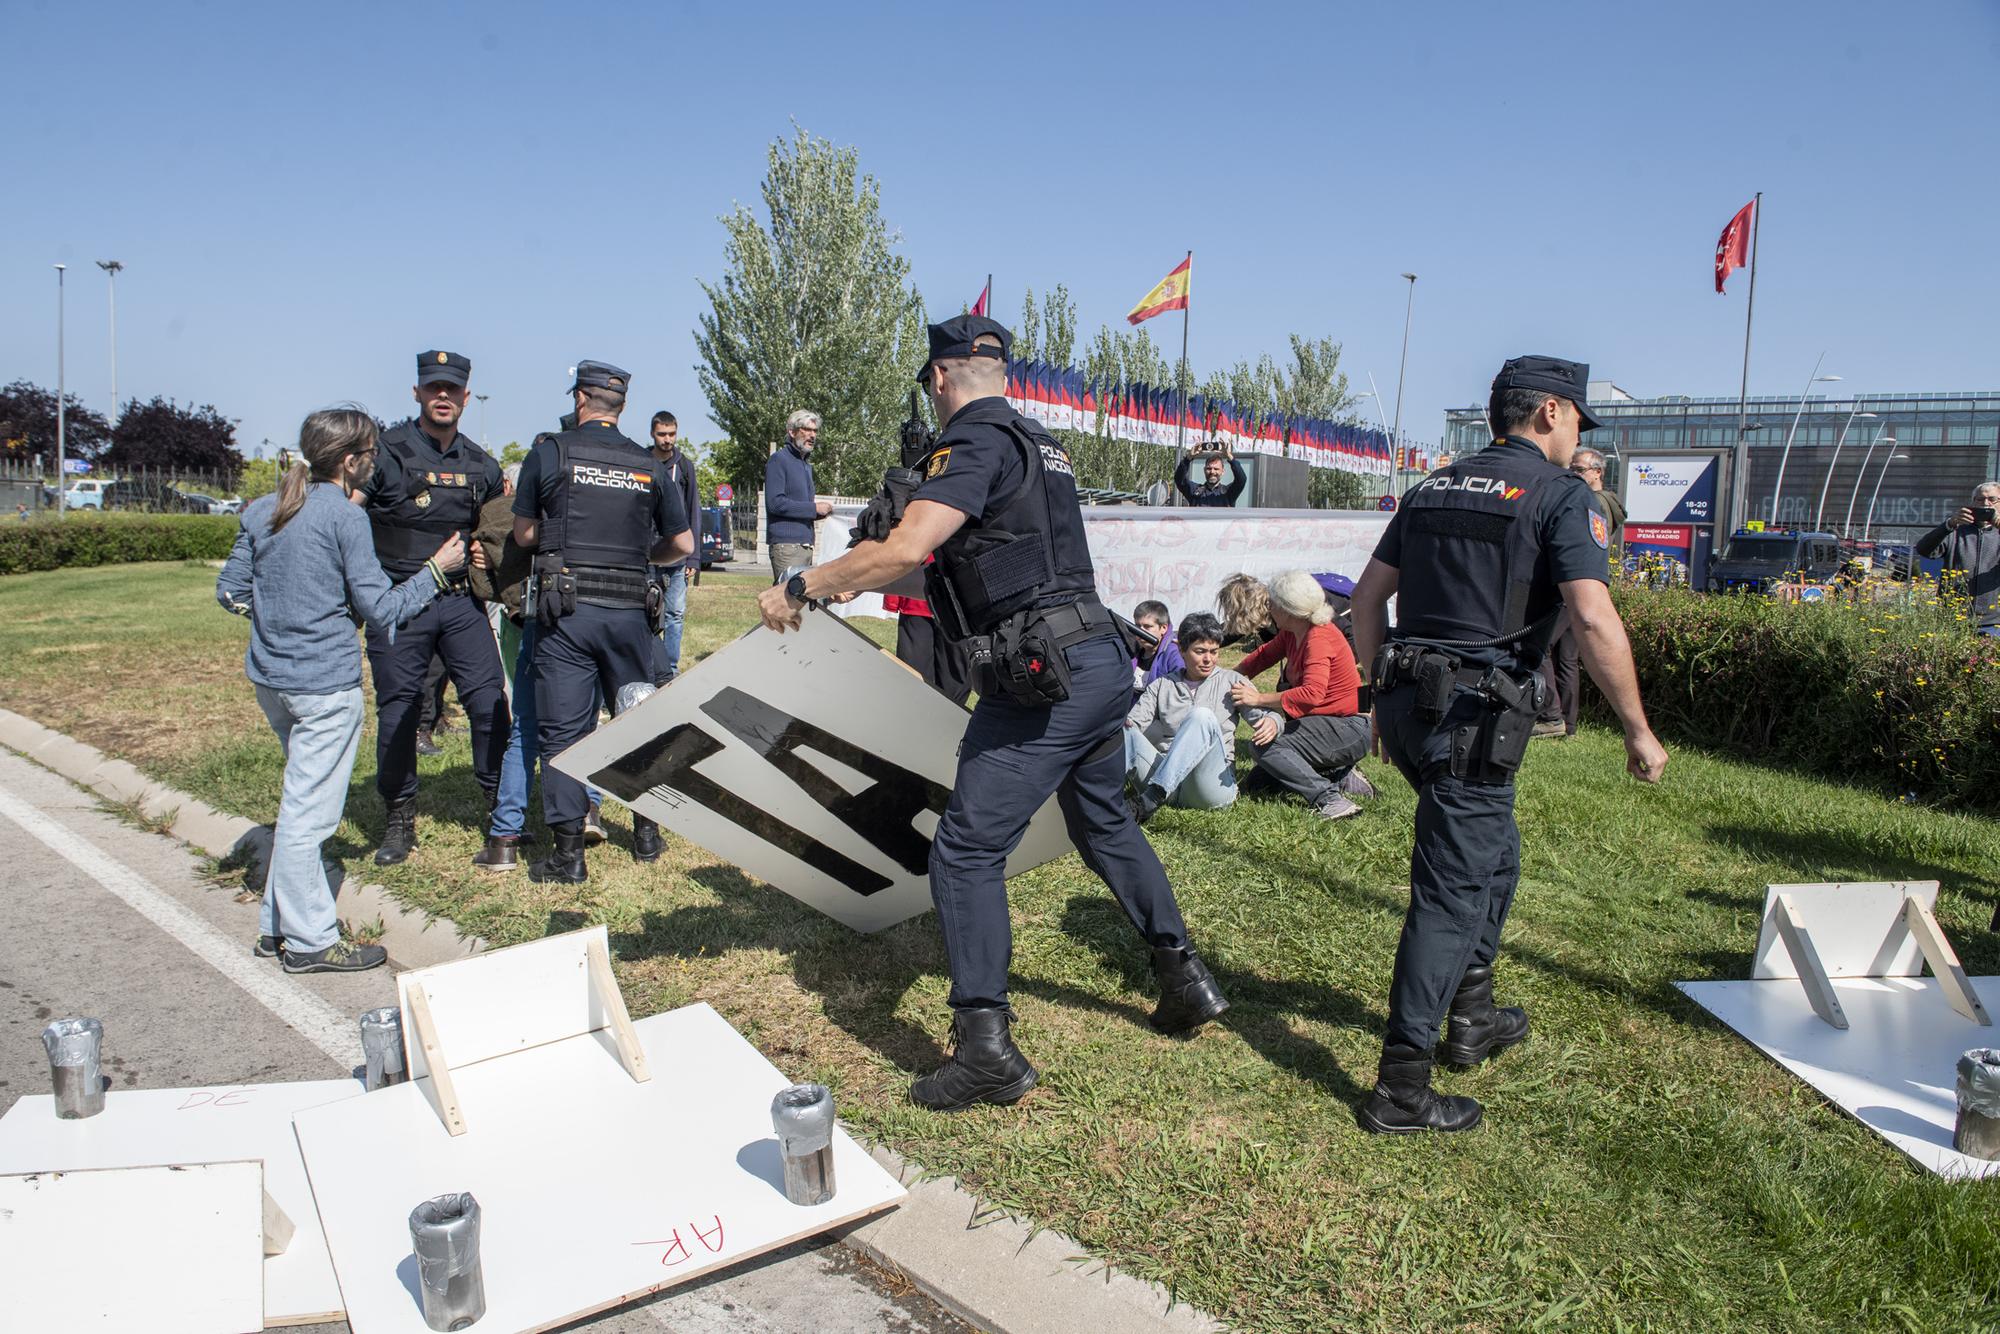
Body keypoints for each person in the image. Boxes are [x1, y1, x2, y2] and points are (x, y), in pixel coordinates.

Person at [755, 314, 1229, 1111]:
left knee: (966, 852)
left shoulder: (970, 441)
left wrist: (803, 583)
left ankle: (985, 1051)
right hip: (1099, 660)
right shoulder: (1040, 440)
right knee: (1104, 824)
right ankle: (1185, 978)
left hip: (1046, 680)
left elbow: (909, 547)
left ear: (939, 379)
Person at [1351, 354, 1667, 1135]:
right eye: (1577, 423)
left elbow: (1365, 601)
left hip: (1410, 705)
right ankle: (1401, 1086)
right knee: (1450, 893)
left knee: (1498, 855)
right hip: (1473, 717)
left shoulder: (1433, 487)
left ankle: (1474, 1013)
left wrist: (1373, 703)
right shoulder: (1561, 496)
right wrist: (1637, 728)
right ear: (1552, 413)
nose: (1577, 441)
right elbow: (1592, 620)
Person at [216, 407, 466, 972]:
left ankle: (274, 928)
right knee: (310, 818)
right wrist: (435, 570)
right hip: (324, 685)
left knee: (296, 801)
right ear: (351, 462)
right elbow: (381, 609)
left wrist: (279, 617)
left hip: (271, 680)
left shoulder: (262, 511)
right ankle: (309, 943)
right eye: (371, 455)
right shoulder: (345, 520)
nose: (375, 464)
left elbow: (230, 591)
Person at [513, 361, 693, 881]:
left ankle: (569, 855)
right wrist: (642, 556)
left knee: (564, 733)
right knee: (639, 723)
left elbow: (524, 535)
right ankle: (647, 833)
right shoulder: (648, 463)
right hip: (631, 615)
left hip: (566, 616)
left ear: (579, 400)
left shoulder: (550, 452)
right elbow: (681, 545)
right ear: (622, 407)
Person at [357, 350, 509, 866]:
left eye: (452, 389)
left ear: (466, 397)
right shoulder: (386, 454)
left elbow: (495, 529)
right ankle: (399, 817)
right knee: (399, 709)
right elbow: (347, 517)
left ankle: (498, 808)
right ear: (417, 393)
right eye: (433, 388)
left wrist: (489, 552)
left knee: (489, 700)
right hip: (400, 602)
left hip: (460, 601)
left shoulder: (481, 465)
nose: (442, 397)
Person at [1230, 570, 1373, 820]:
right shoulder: (1293, 631)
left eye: (1273, 602)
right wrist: (1228, 678)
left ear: (1288, 608)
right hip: (1326, 725)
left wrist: (1257, 698)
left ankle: (1329, 799)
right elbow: (1262, 657)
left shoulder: (1318, 638)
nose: (1269, 607)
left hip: (1349, 728)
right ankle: (1337, 773)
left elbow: (1311, 695)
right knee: (1257, 785)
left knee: (1265, 747)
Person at [1126, 612, 1276, 820]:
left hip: (1208, 788)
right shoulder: (1163, 684)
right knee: (1123, 731)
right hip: (1168, 781)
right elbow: (1133, 724)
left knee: (1201, 716)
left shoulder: (1232, 681)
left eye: (1214, 652)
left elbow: (1266, 715)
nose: (1208, 659)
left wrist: (1273, 721)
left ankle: (1152, 797)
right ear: (1181, 649)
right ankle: (1096, 796)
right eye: (1200, 651)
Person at [1535, 446, 1621, 737]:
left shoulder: (1591, 502)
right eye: (1571, 468)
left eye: (1579, 469)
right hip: (1585, 586)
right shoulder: (1604, 502)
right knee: (1567, 657)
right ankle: (1566, 722)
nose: (1572, 473)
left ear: (1598, 472)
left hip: (1571, 587)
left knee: (1541, 647)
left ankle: (1550, 715)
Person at [649, 410, 701, 680]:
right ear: (652, 434)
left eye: (671, 434)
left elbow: (694, 510)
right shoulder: (643, 462)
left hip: (678, 555)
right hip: (650, 552)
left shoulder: (685, 467)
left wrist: (694, 558)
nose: (667, 440)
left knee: (675, 613)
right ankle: (647, 663)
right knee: (645, 612)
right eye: (662, 434)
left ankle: (669, 668)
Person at [1916, 482, 2000, 635]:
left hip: (1993, 622)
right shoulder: (1956, 531)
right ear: (1972, 503)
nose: (1985, 504)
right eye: (1979, 499)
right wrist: (1949, 524)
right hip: (1953, 618)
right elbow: (1923, 549)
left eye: (1992, 499)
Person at [765, 409, 832, 583]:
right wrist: (813, 508)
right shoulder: (779, 460)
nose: (812, 435)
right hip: (787, 546)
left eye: (815, 431)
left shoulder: (806, 465)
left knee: (801, 607)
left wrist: (821, 513)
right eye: (806, 429)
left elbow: (799, 507)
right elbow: (775, 503)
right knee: (788, 604)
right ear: (792, 432)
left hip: (805, 546)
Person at [1174, 441, 1247, 507]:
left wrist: (1229, 457)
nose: (1212, 472)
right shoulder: (1195, 491)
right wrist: (1188, 458)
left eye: (1216, 469)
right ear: (1204, 470)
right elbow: (1179, 479)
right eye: (1209, 468)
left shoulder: (1228, 493)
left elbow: (1241, 479)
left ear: (1223, 471)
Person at [1132, 599, 1182, 688]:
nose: (1140, 631)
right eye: (1138, 626)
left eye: (1147, 627)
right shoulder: (1131, 650)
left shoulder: (1174, 653)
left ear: (1163, 628)